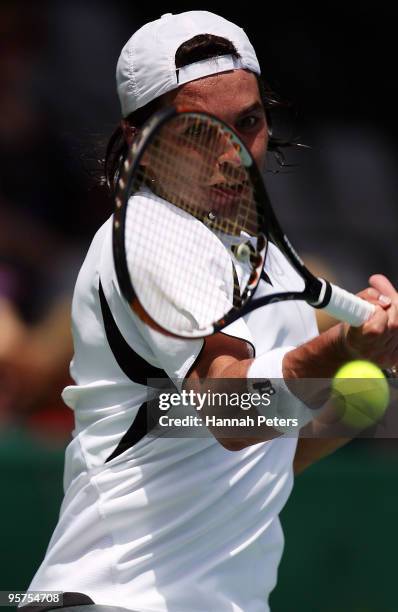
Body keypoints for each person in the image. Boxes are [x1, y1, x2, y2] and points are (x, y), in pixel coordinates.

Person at [25, 11, 398, 612]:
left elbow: (262, 455)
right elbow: (229, 411)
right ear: (140, 140)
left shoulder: (269, 254)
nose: (234, 155)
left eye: (248, 123)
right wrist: (344, 350)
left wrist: (353, 395)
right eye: (198, 132)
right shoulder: (146, 233)